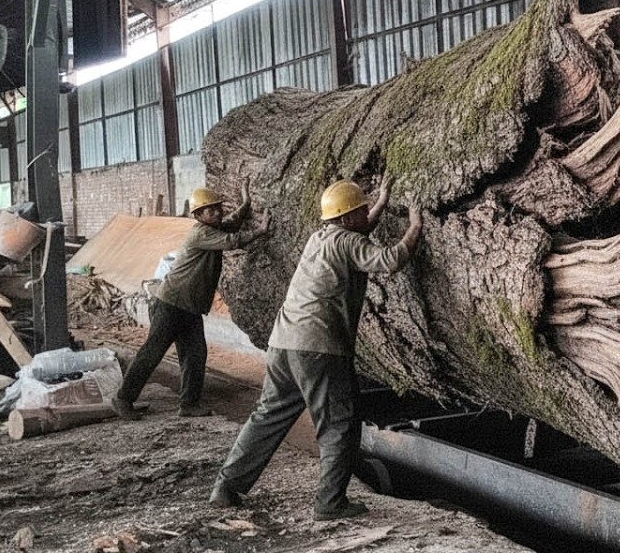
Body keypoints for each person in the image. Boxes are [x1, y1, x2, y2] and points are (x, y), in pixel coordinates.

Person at [210, 177, 423, 521]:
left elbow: (360, 230)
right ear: (348, 216)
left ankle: (226, 487)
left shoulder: (320, 237)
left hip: (283, 342)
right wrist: (415, 225)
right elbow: (391, 259)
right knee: (340, 422)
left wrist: (381, 201)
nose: (366, 212)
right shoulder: (349, 240)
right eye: (362, 208)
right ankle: (330, 502)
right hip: (319, 347)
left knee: (267, 418)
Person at [112, 180, 271, 419]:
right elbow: (231, 241)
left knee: (195, 355)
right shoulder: (201, 233)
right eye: (211, 209)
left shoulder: (212, 228)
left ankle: (189, 404)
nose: (217, 212)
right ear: (198, 215)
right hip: (171, 304)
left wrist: (245, 203)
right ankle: (123, 399)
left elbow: (230, 224)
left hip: (188, 307)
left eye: (218, 207)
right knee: (152, 352)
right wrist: (260, 231)